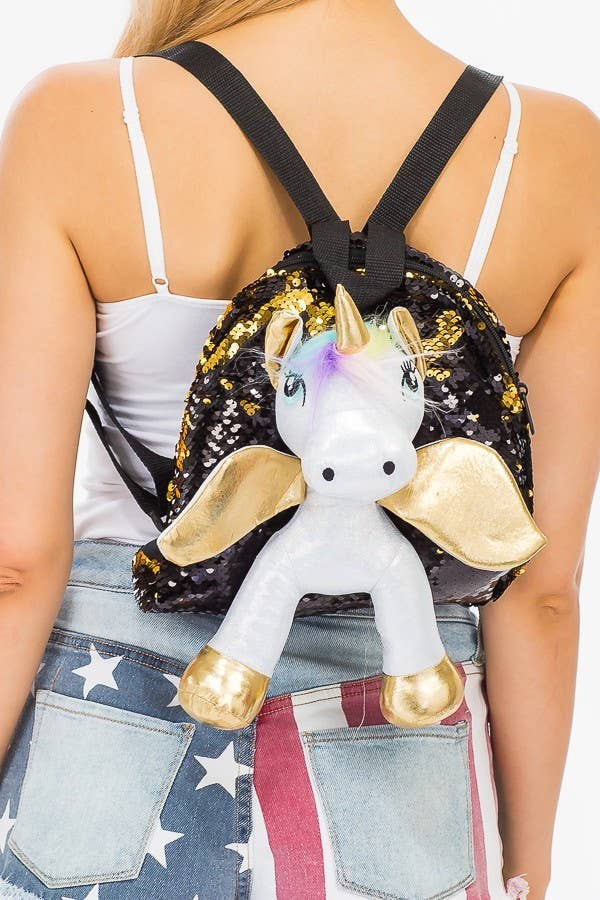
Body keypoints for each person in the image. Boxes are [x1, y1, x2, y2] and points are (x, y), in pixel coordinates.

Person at [0, 1, 598, 898]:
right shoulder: (554, 148)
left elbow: (16, 562)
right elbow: (540, 591)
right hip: (404, 767)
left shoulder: (85, 118)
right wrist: (527, 864)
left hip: (109, 735)